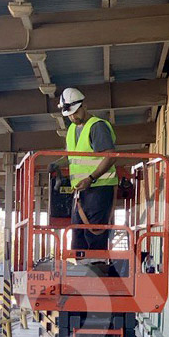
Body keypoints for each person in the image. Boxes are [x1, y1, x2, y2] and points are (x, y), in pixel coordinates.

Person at [58, 87, 118, 251]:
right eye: (69, 115)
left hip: (99, 188)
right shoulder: (72, 129)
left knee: (94, 235)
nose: (73, 117)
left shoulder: (97, 126)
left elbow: (110, 156)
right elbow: (72, 157)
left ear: (84, 106)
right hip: (81, 191)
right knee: (78, 237)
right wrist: (56, 164)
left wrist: (91, 178)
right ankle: (81, 266)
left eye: (75, 112)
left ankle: (97, 265)